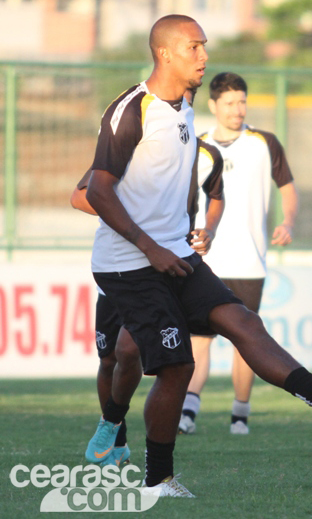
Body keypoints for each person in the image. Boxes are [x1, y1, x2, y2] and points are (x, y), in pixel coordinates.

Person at [82, 14, 312, 498]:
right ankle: (156, 479)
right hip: (129, 264)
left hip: (176, 256)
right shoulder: (131, 110)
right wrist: (149, 245)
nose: (204, 56)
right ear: (165, 53)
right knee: (175, 366)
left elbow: (196, 191)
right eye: (194, 47)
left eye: (204, 46)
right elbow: (97, 191)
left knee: (245, 323)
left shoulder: (185, 107)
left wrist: (191, 233)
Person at [71, 87, 225, 467]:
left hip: (166, 268)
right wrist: (134, 221)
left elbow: (216, 197)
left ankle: (126, 442)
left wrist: (208, 229)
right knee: (110, 358)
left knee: (131, 350)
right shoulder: (138, 135)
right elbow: (81, 195)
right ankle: (114, 439)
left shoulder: (206, 153)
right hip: (125, 264)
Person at [178, 72, 298, 436]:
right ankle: (188, 410)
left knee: (245, 341)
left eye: (242, 101)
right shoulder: (194, 144)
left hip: (248, 260)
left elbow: (288, 188)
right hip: (204, 259)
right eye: (230, 102)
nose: (237, 109)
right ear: (213, 105)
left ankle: (240, 414)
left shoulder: (264, 143)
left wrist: (288, 221)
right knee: (198, 339)